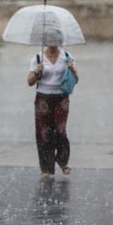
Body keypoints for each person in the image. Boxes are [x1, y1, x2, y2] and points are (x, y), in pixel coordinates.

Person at [27, 30, 79, 179]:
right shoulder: (38, 58)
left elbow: (76, 80)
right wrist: (37, 71)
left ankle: (63, 162)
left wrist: (72, 69)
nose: (53, 44)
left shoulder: (67, 57)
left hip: (61, 98)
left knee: (60, 131)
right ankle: (46, 168)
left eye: (56, 41)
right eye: (50, 41)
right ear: (45, 41)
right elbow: (29, 82)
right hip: (43, 99)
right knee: (44, 133)